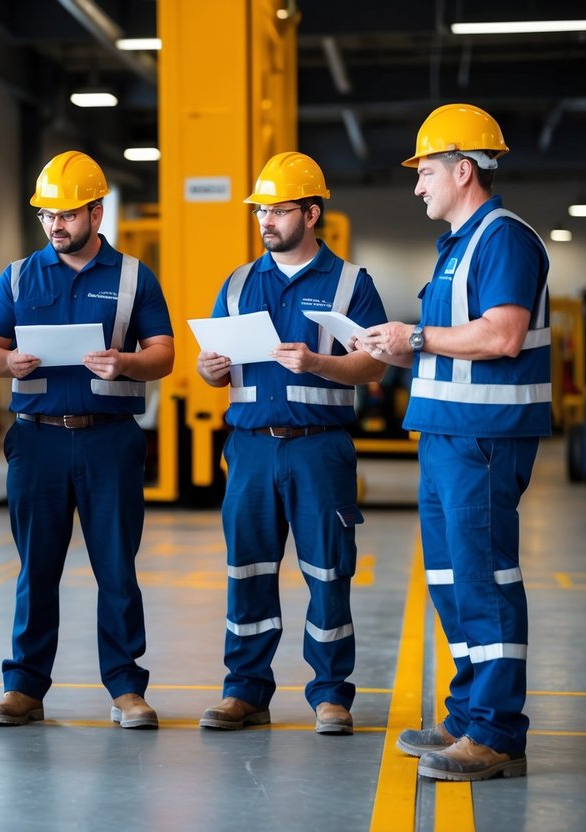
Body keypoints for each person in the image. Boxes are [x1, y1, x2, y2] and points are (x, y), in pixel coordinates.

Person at [358, 104, 548, 781]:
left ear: (462, 170)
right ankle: (468, 714)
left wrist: (413, 337)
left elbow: (499, 336)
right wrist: (396, 344)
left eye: (426, 171)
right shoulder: (458, 247)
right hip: (446, 435)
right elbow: (450, 346)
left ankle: (495, 733)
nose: (416, 186)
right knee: (450, 580)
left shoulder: (501, 239)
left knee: (484, 579)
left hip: (484, 439)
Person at [0, 150, 174, 729]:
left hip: (108, 440)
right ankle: (25, 688)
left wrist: (127, 364)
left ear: (96, 212)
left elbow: (163, 355)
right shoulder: (17, 275)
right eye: (47, 215)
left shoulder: (135, 276)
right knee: (36, 566)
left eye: (66, 214)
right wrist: (8, 360)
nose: (55, 225)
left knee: (116, 565)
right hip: (36, 441)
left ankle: (126, 688)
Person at [194, 152, 388, 736]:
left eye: (278, 210)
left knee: (328, 572)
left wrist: (318, 364)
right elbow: (212, 373)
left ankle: (331, 695)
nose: (266, 220)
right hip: (251, 447)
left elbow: (375, 367)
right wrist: (209, 368)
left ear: (311, 211)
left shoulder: (352, 284)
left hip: (318, 447)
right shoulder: (236, 284)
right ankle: (244, 692)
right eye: (261, 210)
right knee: (247, 569)